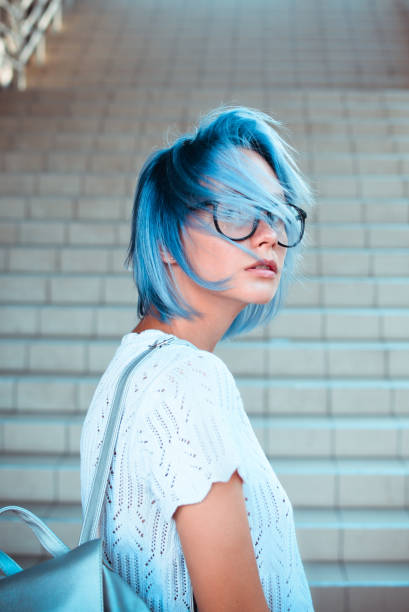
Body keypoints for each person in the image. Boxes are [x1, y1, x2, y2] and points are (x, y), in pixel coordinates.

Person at [80, 105, 316, 612]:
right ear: (165, 239)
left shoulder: (130, 372)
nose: (269, 235)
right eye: (234, 210)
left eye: (277, 213)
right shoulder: (187, 379)